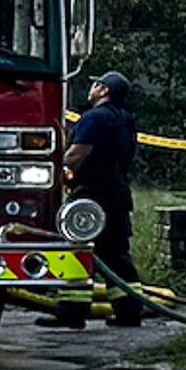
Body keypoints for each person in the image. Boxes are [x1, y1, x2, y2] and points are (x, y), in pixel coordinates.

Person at [63, 71, 145, 325]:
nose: (92, 89)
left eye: (96, 85)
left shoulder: (94, 118)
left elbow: (76, 156)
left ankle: (72, 313)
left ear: (104, 91)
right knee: (116, 254)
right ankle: (129, 311)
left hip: (91, 195)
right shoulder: (124, 119)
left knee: (77, 249)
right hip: (118, 192)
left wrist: (49, 162)